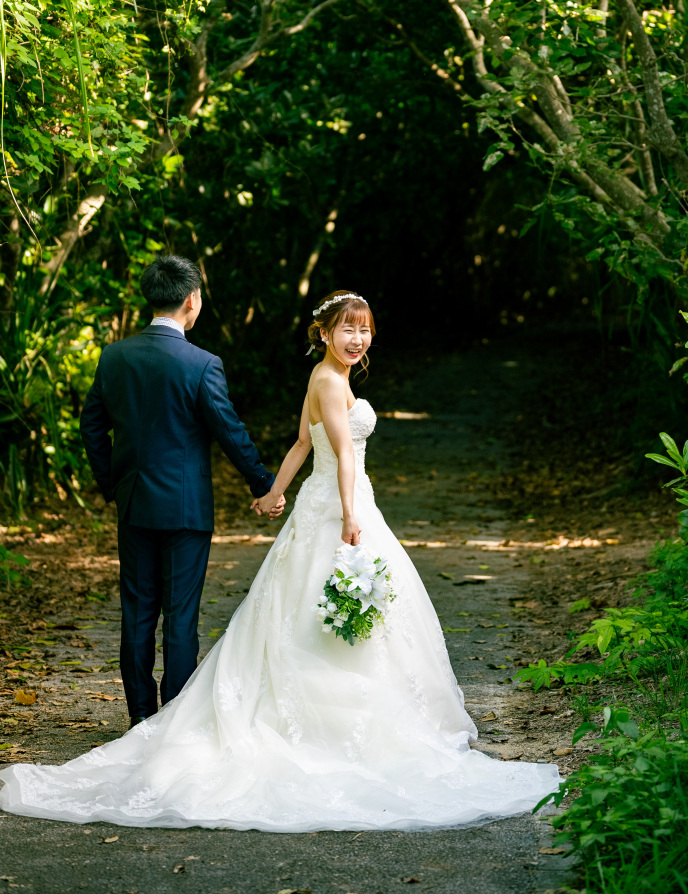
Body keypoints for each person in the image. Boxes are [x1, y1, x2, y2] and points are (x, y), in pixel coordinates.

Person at [0, 290, 560, 831]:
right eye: (347, 328)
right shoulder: (328, 380)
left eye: (365, 329)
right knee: (332, 608)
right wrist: (350, 517)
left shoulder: (326, 378)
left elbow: (300, 444)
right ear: (323, 332)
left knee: (301, 610)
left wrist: (273, 492)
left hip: (319, 499)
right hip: (341, 503)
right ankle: (338, 727)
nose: (358, 338)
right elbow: (342, 454)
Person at [78, 253, 283, 729]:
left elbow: (92, 427)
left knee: (137, 611)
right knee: (181, 615)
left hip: (133, 503)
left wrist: (113, 485)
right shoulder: (201, 364)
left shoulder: (115, 356)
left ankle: (140, 719)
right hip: (186, 509)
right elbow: (229, 431)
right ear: (191, 300)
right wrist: (263, 484)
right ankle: (174, 722)